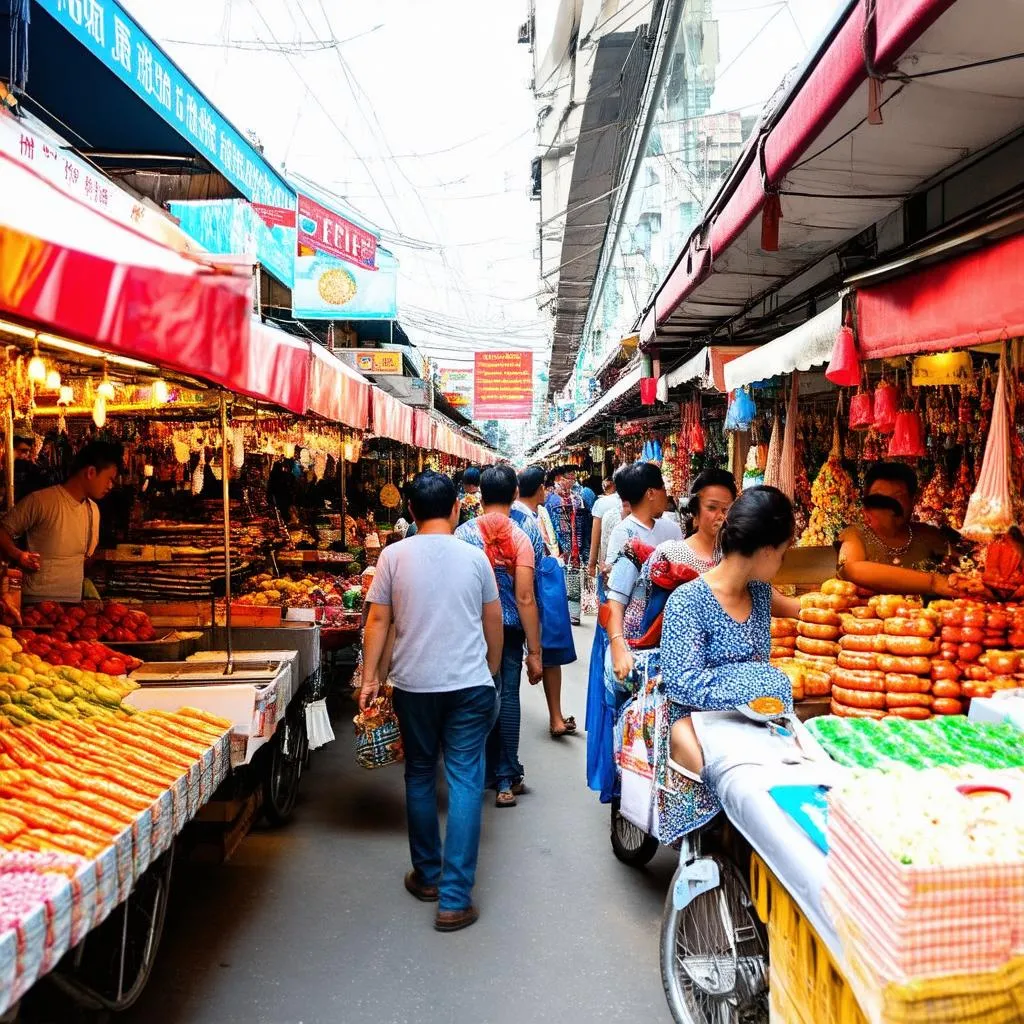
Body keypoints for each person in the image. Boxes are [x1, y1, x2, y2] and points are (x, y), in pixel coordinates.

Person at [361, 471, 503, 933]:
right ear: (457, 509)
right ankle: (455, 899)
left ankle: (427, 876)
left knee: (420, 773)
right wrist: (492, 670)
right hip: (469, 685)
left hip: (414, 686)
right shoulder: (475, 557)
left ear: (410, 511)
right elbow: (493, 622)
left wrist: (369, 679)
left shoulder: (393, 556)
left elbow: (378, 619)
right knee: (464, 780)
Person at [658, 487, 800, 837]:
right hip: (694, 722)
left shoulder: (761, 593)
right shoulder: (687, 600)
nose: (781, 562)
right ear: (767, 551)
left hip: (754, 720)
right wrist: (760, 682)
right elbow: (683, 682)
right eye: (783, 553)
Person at [456, 465, 543, 808]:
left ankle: (475, 771)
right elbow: (527, 596)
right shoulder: (526, 532)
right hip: (510, 628)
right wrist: (535, 650)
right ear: (514, 495)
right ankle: (506, 777)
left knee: (476, 694)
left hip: (471, 627)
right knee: (507, 696)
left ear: (480, 495)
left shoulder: (463, 534)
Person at [0, 441, 122, 604]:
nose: (110, 486)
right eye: (109, 479)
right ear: (91, 472)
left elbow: (85, 557)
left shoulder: (93, 510)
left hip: (73, 604)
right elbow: (2, 531)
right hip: (36, 604)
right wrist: (19, 555)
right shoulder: (41, 501)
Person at [512, 465, 577, 738]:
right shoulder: (527, 521)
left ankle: (556, 717)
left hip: (523, 595)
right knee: (546, 656)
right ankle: (555, 718)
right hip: (532, 596)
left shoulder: (523, 515)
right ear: (540, 488)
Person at [837, 461, 957, 595]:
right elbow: (851, 569)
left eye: (898, 497)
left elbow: (962, 566)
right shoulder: (854, 534)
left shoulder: (929, 535)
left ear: (913, 501)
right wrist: (934, 583)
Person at [544, 466, 587, 624]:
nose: (572, 480)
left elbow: (583, 523)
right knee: (557, 580)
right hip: (555, 547)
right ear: (559, 479)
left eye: (573, 477)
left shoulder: (577, 499)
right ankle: (557, 613)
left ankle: (574, 615)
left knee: (574, 579)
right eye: (569, 476)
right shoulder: (549, 499)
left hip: (575, 547)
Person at [587, 477, 620, 583]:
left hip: (606, 564)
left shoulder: (602, 503)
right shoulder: (638, 503)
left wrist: (591, 565)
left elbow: (595, 537)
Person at [11, 432, 50, 503]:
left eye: (40, 445)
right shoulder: (21, 461)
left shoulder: (40, 459)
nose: (38, 447)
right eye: (36, 445)